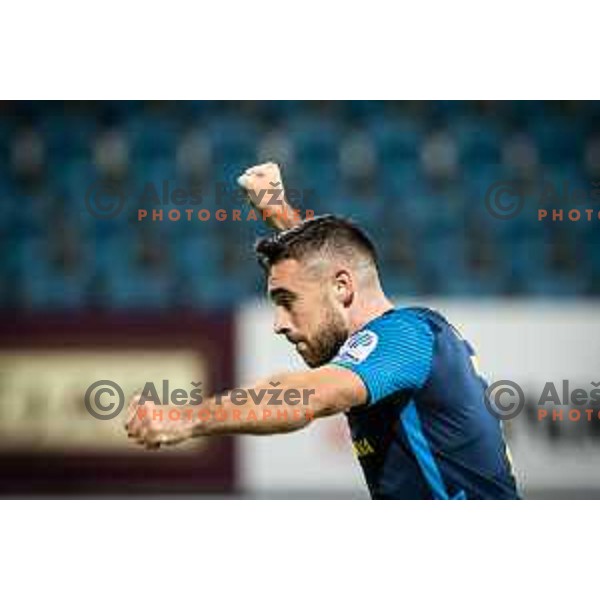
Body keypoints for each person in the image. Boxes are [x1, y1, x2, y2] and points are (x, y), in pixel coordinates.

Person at [125, 163, 519, 499]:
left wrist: (190, 416)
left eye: (287, 301)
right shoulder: (404, 338)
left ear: (344, 287)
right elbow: (323, 271)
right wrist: (280, 215)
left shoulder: (405, 335)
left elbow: (308, 396)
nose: (279, 323)